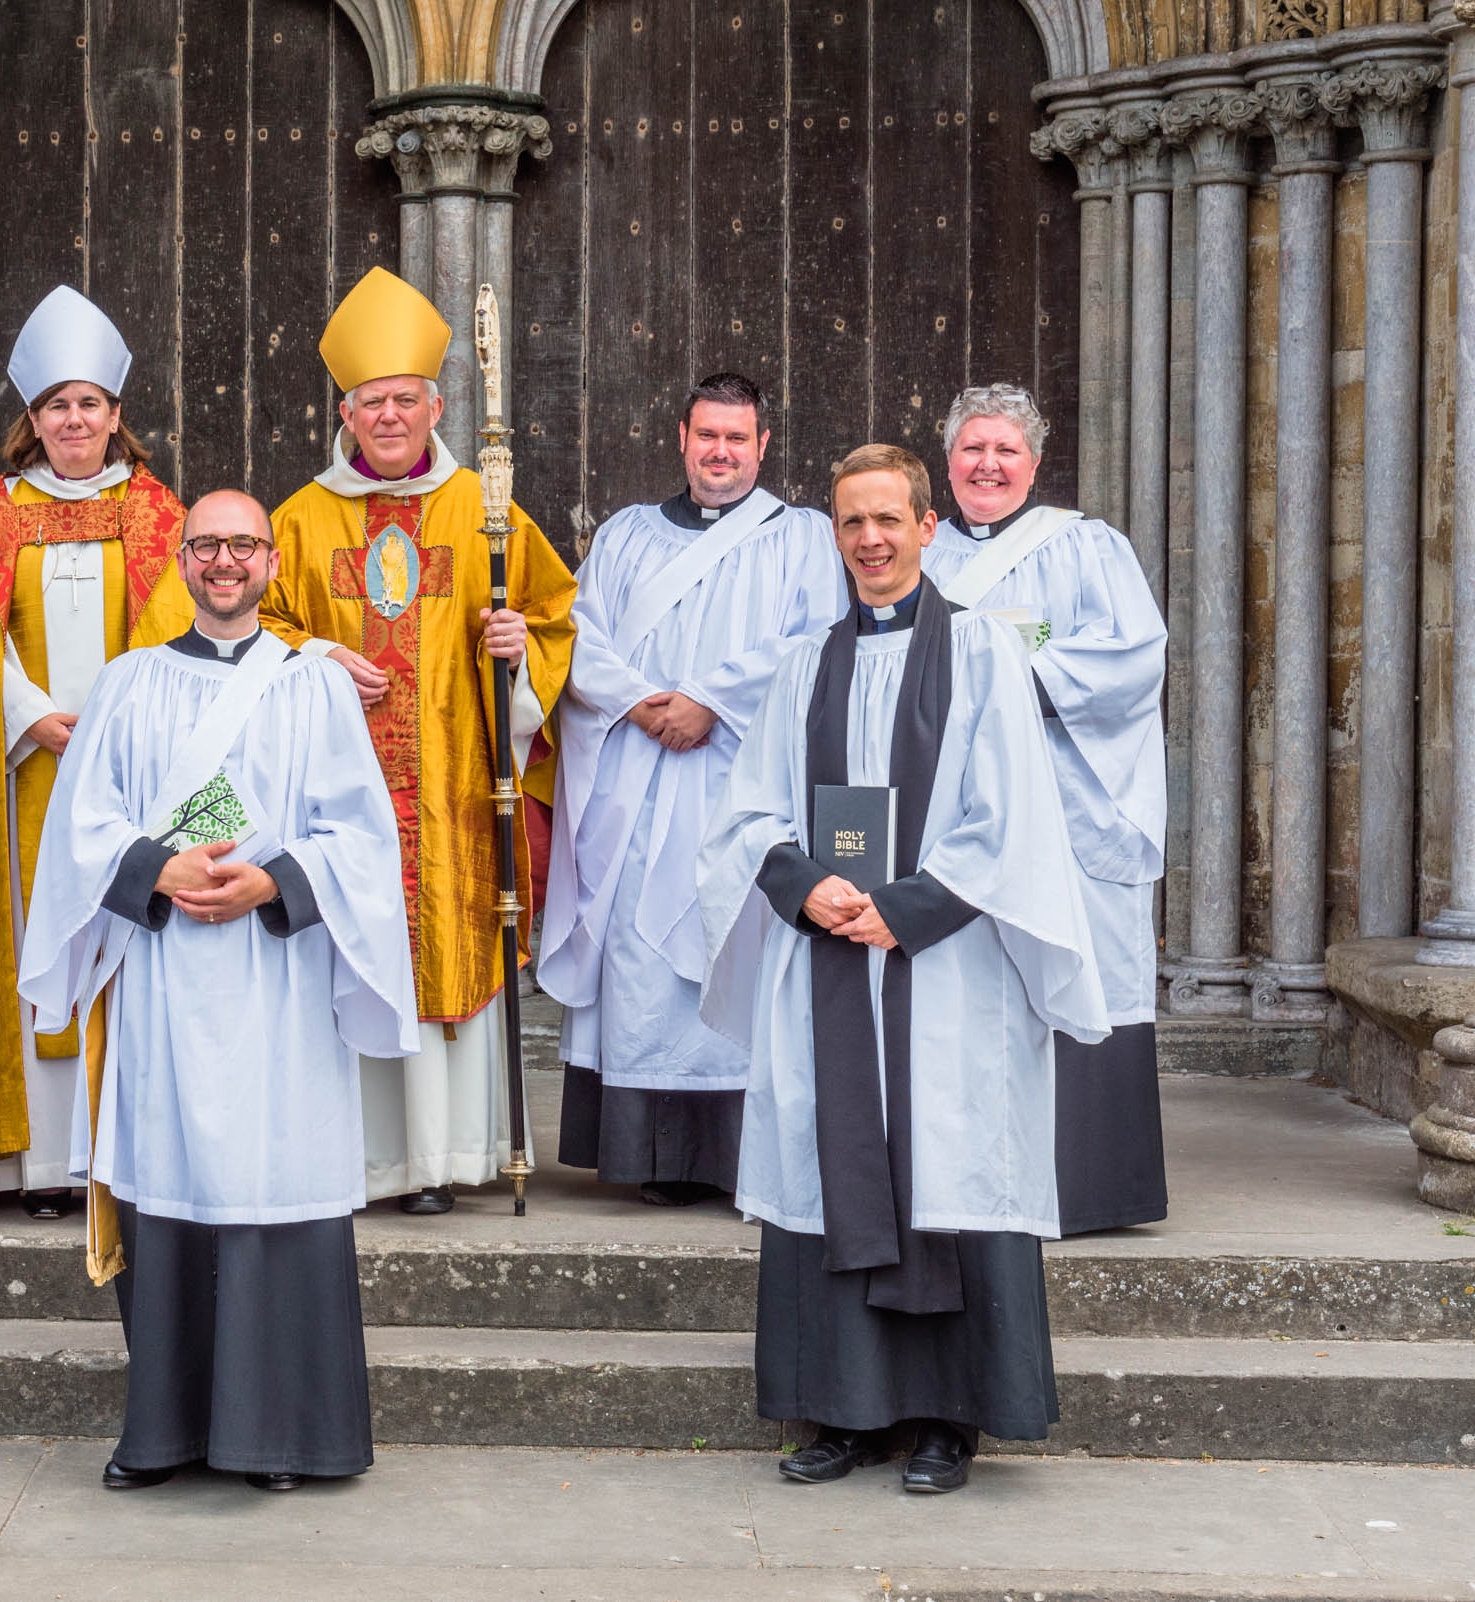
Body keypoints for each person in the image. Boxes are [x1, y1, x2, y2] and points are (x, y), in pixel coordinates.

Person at [698, 444, 1109, 1494]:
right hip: (832, 954)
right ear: (833, 537)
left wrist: (906, 907)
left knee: (946, 1158)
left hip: (946, 968)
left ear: (929, 528)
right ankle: (841, 1410)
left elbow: (1011, 818)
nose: (871, 540)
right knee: (828, 1157)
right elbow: (747, 812)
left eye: (890, 520)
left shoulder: (980, 656)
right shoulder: (804, 667)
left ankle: (945, 1419)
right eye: (852, 523)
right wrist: (803, 886)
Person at [20, 489, 417, 1492]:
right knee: (168, 1184)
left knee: (269, 1186)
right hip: (162, 982)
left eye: (243, 545)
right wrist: (153, 870)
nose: (225, 562)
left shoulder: (313, 690)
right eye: (207, 546)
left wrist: (273, 882)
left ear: (271, 561)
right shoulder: (126, 685)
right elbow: (81, 827)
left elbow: (362, 839)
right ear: (183, 562)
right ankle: (161, 1433)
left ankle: (276, 1436)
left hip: (275, 983)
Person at [262, 267, 577, 1215]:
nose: (390, 417)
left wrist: (520, 652)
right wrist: (315, 650)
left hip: (451, 793)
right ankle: (359, 1159)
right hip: (343, 794)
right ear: (345, 412)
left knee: (444, 934)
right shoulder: (300, 519)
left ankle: (439, 1159)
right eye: (372, 403)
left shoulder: (483, 508)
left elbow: (552, 619)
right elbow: (254, 630)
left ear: (435, 404)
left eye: (406, 400)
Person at [537, 372, 844, 1208]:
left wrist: (712, 698)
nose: (720, 452)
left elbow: (816, 641)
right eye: (707, 435)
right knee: (640, 951)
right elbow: (579, 636)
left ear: (763, 445)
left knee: (729, 935)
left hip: (736, 777)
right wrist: (640, 700)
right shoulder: (627, 535)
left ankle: (739, 1155)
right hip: (635, 773)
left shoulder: (802, 537)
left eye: (737, 439)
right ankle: (657, 1157)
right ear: (681, 437)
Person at [0, 286, 193, 1218]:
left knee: (121, 943)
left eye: (89, 403)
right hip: (33, 771)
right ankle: (48, 1164)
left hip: (132, 775)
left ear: (117, 416)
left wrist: (123, 728)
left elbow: (182, 637)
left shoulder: (163, 517)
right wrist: (32, 717)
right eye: (56, 405)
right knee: (35, 943)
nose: (73, 419)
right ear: (32, 421)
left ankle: (121, 1153)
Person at [922, 383, 1169, 1235]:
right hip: (956, 811)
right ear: (946, 459)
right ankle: (970, 1184)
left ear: (1035, 461)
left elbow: (1132, 658)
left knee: (1076, 963)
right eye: (972, 449)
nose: (987, 465)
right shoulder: (920, 554)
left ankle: (1088, 1187)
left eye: (1005, 450)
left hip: (1066, 803)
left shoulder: (1087, 549)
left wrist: (1009, 674)